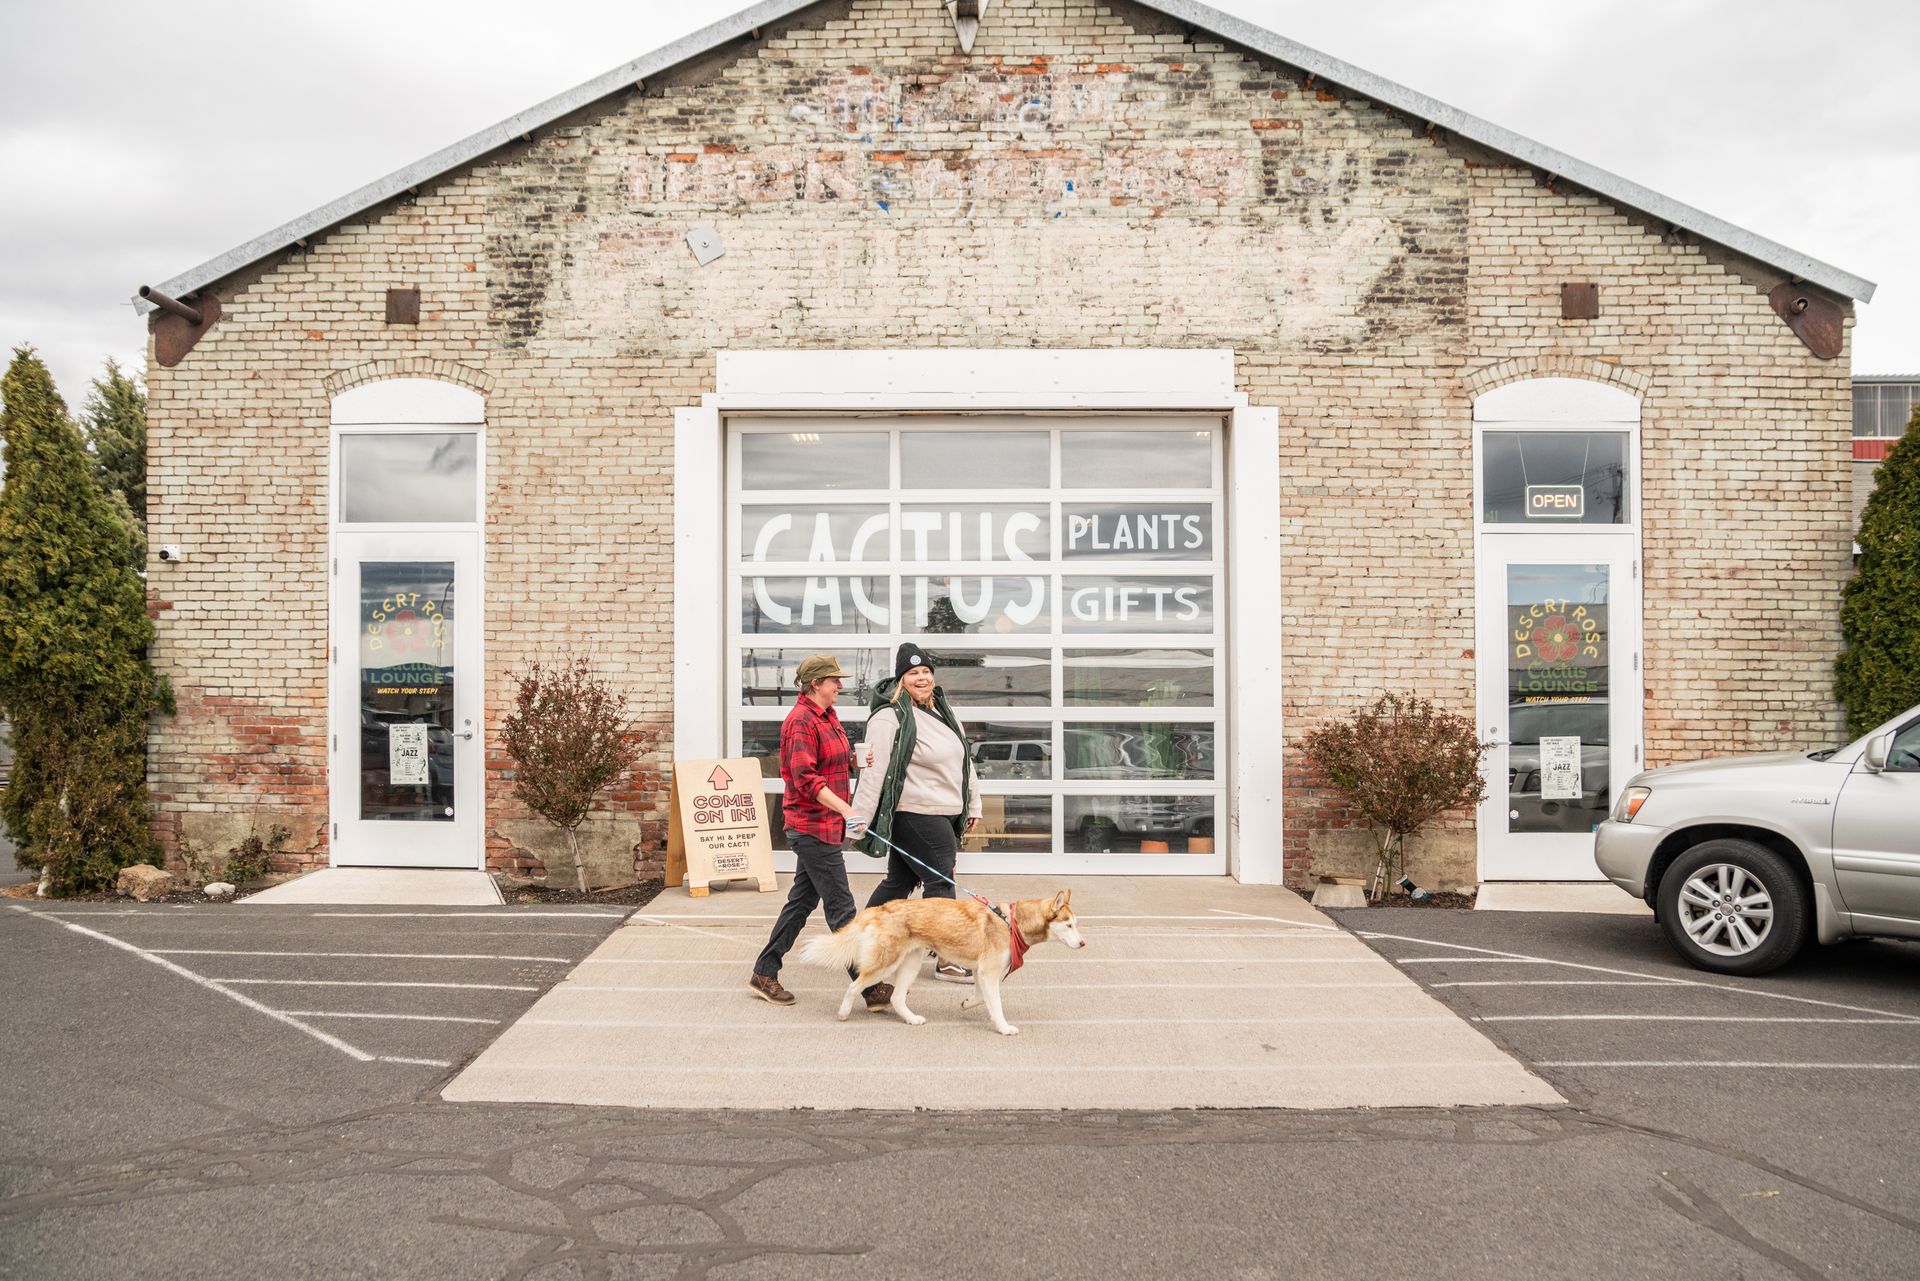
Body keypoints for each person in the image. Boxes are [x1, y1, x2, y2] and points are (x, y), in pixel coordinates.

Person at [749, 654, 892, 1011]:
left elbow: (829, 762)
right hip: (811, 826)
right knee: (842, 909)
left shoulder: (827, 716)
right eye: (834, 681)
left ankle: (764, 973)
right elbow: (805, 778)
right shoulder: (800, 721)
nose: (840, 686)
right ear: (816, 684)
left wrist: (854, 761)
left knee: (801, 903)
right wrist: (848, 810)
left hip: (826, 827)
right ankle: (870, 988)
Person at [849, 642, 983, 983]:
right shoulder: (889, 716)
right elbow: (874, 771)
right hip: (916, 813)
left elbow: (965, 762)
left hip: (942, 811)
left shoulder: (943, 712)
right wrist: (859, 818)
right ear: (900, 680)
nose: (921, 678)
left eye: (925, 671)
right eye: (913, 673)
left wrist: (974, 803)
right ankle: (949, 960)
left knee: (900, 881)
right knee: (941, 882)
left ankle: (860, 942)